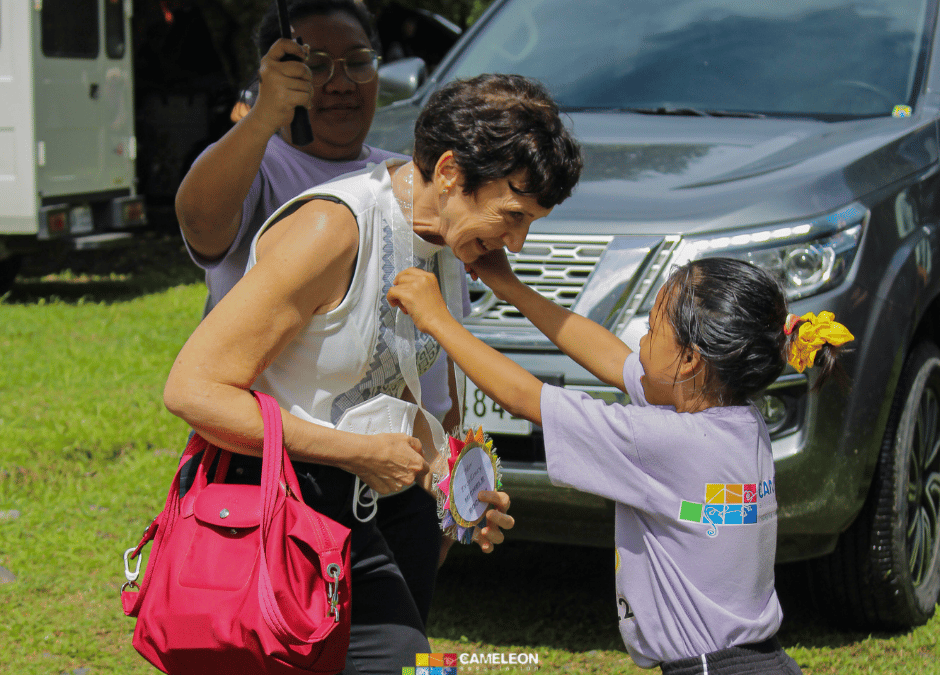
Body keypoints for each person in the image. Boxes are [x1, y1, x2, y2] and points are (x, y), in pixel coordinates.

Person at [163, 72, 584, 674]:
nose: (515, 241)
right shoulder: (332, 229)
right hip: (282, 514)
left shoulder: (448, 235)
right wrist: (356, 453)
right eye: (513, 214)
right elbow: (192, 390)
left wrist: (454, 486)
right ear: (447, 172)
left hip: (384, 510)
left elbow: (420, 384)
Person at [388, 255, 854, 674]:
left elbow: (524, 397)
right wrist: (509, 285)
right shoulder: (739, 421)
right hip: (759, 662)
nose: (641, 340)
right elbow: (612, 358)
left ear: (690, 360)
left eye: (652, 328)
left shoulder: (664, 441)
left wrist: (437, 320)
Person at [174, 0, 466, 626]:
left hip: (399, 485)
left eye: (358, 62)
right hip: (287, 482)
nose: (339, 81)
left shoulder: (403, 180)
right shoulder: (261, 162)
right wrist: (263, 119)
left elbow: (434, 351)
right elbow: (201, 224)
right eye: (314, 63)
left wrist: (445, 483)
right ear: (276, 71)